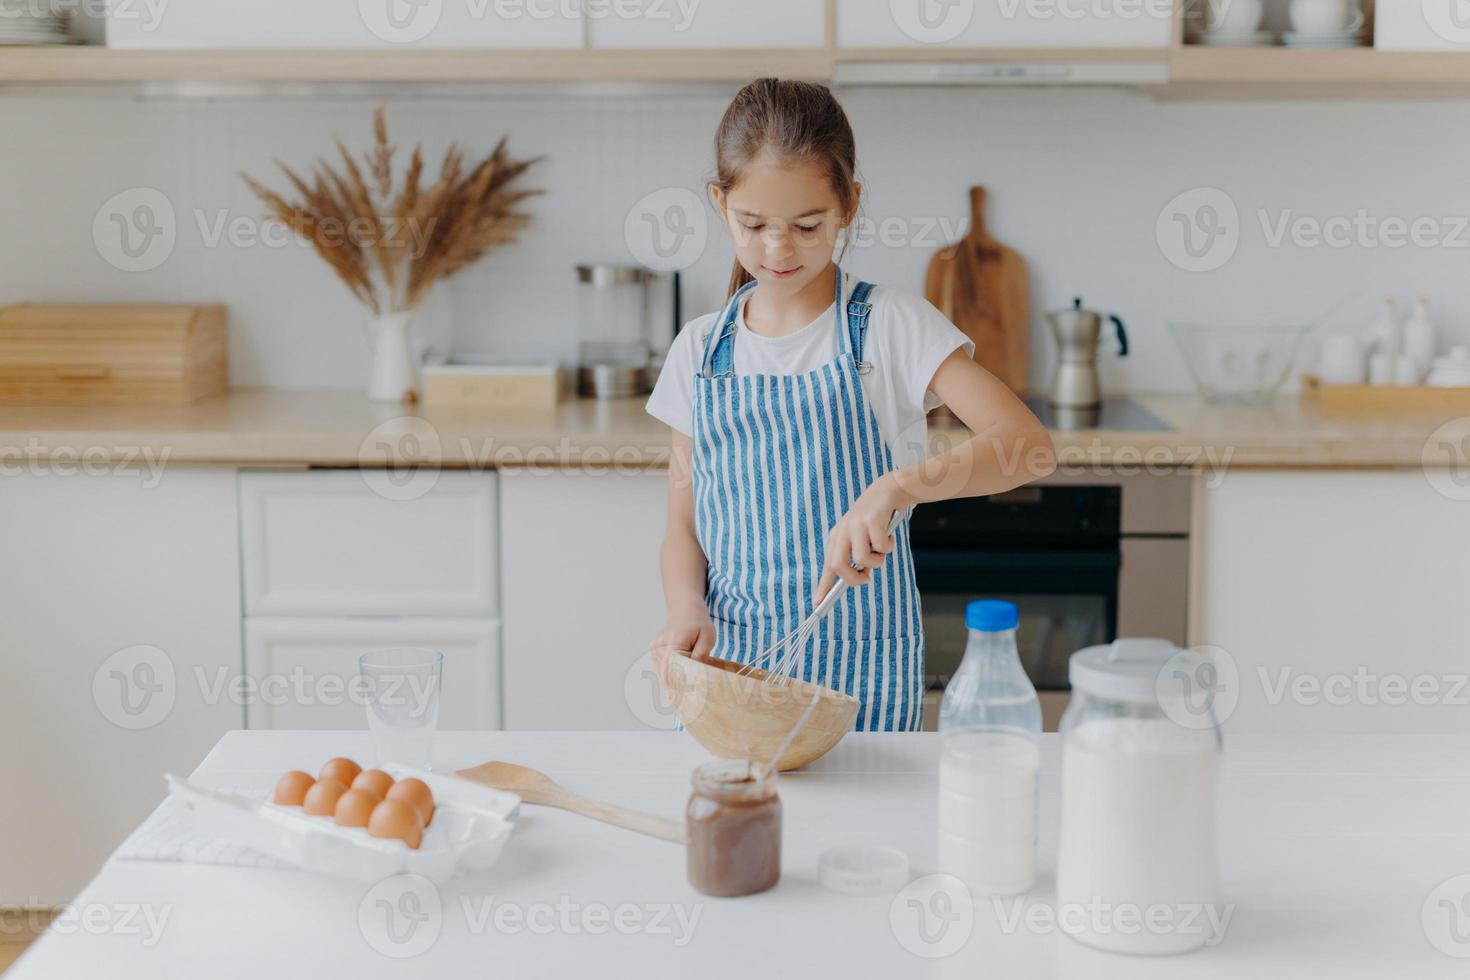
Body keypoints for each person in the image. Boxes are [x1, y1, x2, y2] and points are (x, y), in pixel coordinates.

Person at [646, 78, 1055, 732]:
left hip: (859, 675)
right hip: (732, 671)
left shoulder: (890, 325)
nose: (778, 250)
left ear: (848, 207)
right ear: (720, 205)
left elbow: (1027, 444)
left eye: (807, 227)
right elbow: (683, 526)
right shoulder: (698, 350)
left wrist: (897, 487)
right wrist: (684, 607)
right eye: (754, 225)